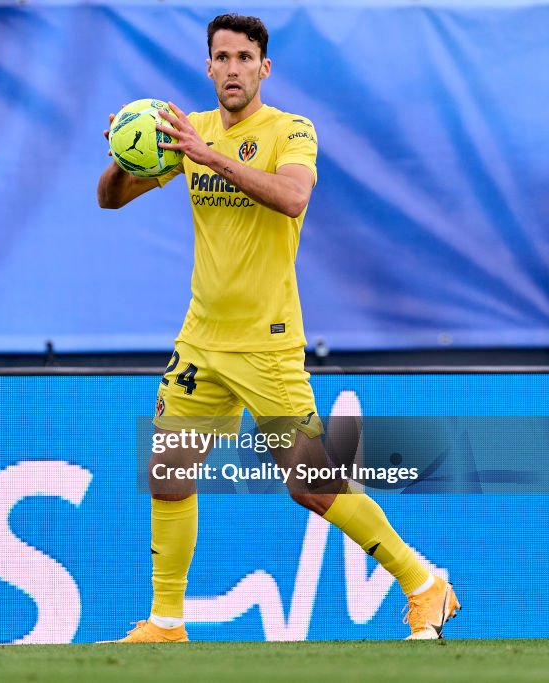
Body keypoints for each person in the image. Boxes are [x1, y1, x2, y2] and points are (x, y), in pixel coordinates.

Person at [97, 13, 459, 642]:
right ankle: (166, 622)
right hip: (200, 342)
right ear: (207, 66)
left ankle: (425, 583)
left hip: (266, 343)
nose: (232, 69)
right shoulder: (189, 131)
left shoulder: (290, 131)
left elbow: (294, 198)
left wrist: (210, 159)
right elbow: (110, 198)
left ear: (263, 68)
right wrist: (124, 151)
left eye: (244, 58)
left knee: (312, 486)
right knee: (168, 474)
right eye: (221, 57)